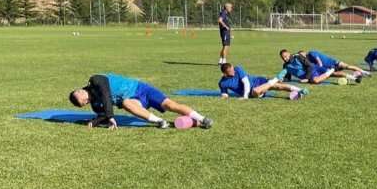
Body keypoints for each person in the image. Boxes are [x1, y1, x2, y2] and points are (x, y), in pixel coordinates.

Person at [69, 73, 213, 130]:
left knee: (170, 105)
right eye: (85, 103)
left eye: (84, 99)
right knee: (125, 103)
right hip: (132, 100)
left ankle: (202, 119)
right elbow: (102, 115)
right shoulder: (95, 105)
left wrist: (111, 116)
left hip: (141, 89)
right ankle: (160, 122)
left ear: (80, 91)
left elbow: (105, 94)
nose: (87, 101)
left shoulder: (96, 80)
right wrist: (94, 122)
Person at [219, 63, 306, 100]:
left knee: (278, 86)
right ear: (224, 73)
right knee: (256, 91)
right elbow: (224, 94)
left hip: (257, 81)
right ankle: (275, 79)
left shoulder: (237, 69)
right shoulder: (222, 83)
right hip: (253, 92)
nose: (233, 72)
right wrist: (224, 97)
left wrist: (245, 96)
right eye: (230, 72)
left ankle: (300, 90)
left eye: (232, 69)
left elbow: (246, 82)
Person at [279, 49, 361, 84]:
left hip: (312, 70)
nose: (285, 59)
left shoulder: (297, 57)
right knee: (334, 74)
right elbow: (288, 78)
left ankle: (354, 78)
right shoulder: (285, 66)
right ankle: (331, 71)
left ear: (289, 54)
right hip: (309, 74)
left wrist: (307, 78)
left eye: (286, 56)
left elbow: (309, 66)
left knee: (316, 80)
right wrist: (282, 79)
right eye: (283, 58)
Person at [305, 49, 370, 76]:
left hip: (333, 62)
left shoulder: (311, 53)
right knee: (337, 74)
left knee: (348, 66)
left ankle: (364, 72)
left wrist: (321, 69)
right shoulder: (309, 61)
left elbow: (319, 62)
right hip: (329, 67)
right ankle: (353, 77)